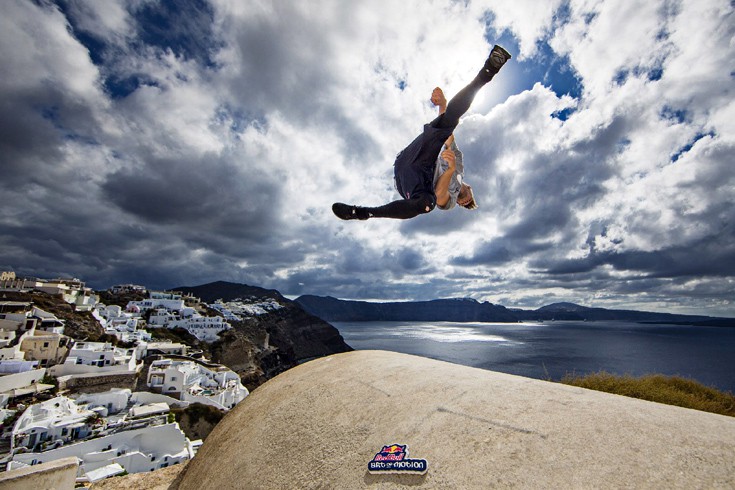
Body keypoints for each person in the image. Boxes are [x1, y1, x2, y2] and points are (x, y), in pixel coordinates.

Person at [332, 44, 510, 221]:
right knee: (449, 122)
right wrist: (442, 104)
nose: (466, 200)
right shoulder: (460, 163)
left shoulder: (450, 203)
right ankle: (489, 69)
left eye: (465, 204)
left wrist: (450, 171)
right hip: (420, 156)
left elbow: (440, 194)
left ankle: (363, 212)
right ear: (471, 189)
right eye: (470, 199)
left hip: (413, 181)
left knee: (428, 203)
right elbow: (447, 133)